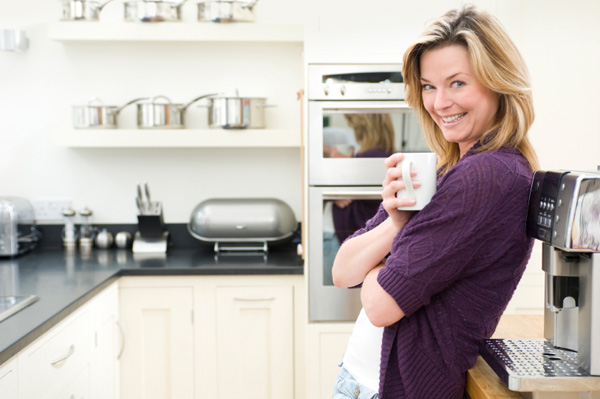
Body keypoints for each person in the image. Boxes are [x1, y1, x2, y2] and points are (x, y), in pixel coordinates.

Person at [331, 4, 539, 399]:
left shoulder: (488, 176)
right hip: (359, 379)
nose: (440, 103)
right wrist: (396, 226)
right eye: (429, 86)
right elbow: (342, 271)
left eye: (458, 83)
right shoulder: (445, 169)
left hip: (394, 389)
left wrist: (384, 259)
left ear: (497, 82)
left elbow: (378, 304)